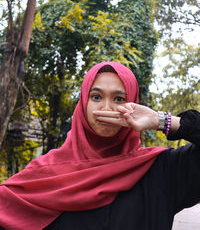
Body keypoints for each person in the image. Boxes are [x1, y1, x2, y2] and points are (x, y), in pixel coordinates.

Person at [0, 61, 199, 230]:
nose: (106, 107)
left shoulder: (163, 171)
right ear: (83, 104)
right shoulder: (43, 175)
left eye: (119, 99)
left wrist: (160, 120)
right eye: (96, 97)